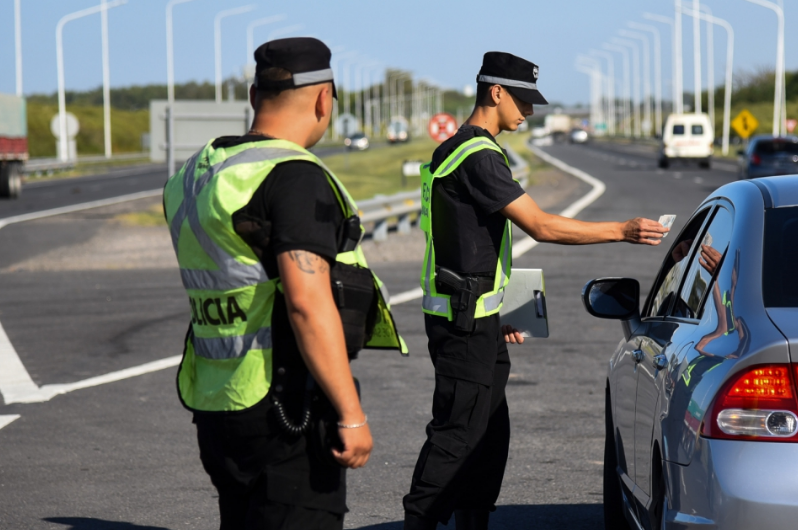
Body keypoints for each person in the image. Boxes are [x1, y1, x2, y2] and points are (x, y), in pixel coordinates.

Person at [403, 51, 669, 530]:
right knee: (457, 436)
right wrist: (622, 230)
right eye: (522, 101)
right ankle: (419, 521)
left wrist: (494, 313)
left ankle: (470, 521)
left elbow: (464, 243)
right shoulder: (477, 155)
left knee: (487, 433)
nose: (528, 112)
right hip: (462, 322)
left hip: (472, 315)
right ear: (495, 92)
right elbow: (542, 226)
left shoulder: (461, 150)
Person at [163, 37, 406, 530]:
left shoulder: (194, 176)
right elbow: (306, 304)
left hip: (216, 400)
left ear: (254, 97)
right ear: (324, 99)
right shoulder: (292, 176)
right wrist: (351, 413)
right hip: (284, 405)